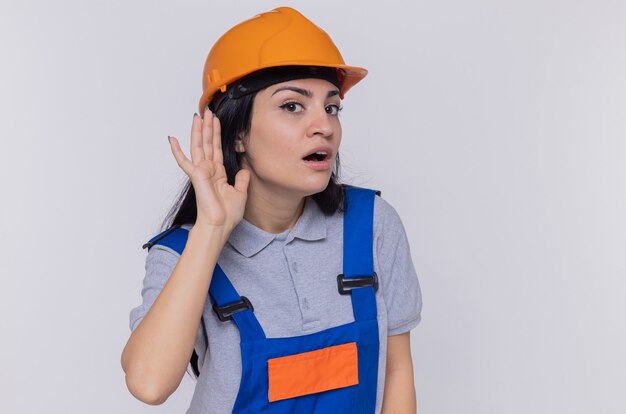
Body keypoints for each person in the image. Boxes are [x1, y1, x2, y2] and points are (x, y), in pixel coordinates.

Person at [121, 6, 422, 414]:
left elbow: (397, 371)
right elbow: (148, 384)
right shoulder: (181, 253)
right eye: (293, 106)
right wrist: (211, 229)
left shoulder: (372, 226)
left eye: (331, 107)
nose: (325, 126)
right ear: (237, 133)